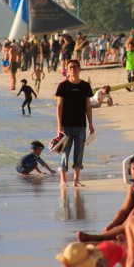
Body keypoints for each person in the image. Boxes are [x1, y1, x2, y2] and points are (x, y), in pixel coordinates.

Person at [55, 60, 95, 188]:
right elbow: (59, 106)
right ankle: (63, 180)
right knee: (64, 152)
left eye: (75, 67)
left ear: (79, 69)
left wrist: (91, 124)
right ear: (67, 70)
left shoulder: (85, 86)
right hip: (66, 125)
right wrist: (59, 125)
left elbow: (88, 106)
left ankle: (76, 180)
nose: (72, 69)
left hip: (81, 125)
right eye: (70, 67)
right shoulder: (63, 86)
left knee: (79, 152)